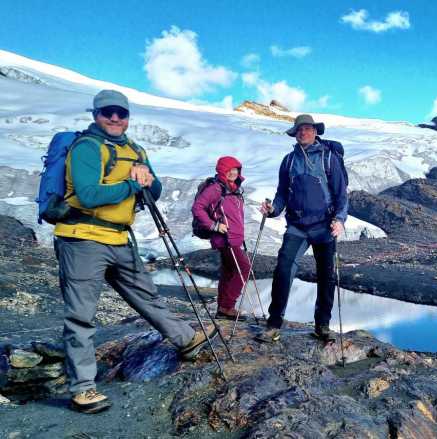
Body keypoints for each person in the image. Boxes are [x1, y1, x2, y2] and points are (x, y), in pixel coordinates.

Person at [53, 90, 214, 414]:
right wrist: (132, 183)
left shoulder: (135, 150)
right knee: (81, 315)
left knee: (147, 294)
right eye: (108, 112)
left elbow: (155, 190)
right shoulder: (87, 147)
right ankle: (83, 389)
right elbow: (88, 195)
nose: (115, 118)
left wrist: (147, 180)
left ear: (127, 117)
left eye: (121, 113)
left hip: (119, 238)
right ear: (96, 114)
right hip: (82, 238)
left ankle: (186, 339)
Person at [258, 114, 348, 342]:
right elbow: (282, 193)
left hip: (324, 226)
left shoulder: (329, 158)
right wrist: (273, 209)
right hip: (297, 226)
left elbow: (341, 194)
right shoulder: (289, 161)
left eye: (308, 129)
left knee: (326, 276)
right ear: (295, 134)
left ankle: (322, 325)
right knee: (283, 270)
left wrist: (339, 219)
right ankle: (273, 324)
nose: (303, 132)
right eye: (299, 129)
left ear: (315, 132)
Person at [191, 156, 251, 320]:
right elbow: (198, 208)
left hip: (233, 238)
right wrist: (214, 226)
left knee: (229, 272)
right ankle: (227, 306)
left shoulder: (233, 189)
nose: (233, 172)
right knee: (243, 269)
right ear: (222, 170)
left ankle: (222, 308)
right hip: (225, 238)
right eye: (229, 169)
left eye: (236, 169)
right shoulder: (216, 188)